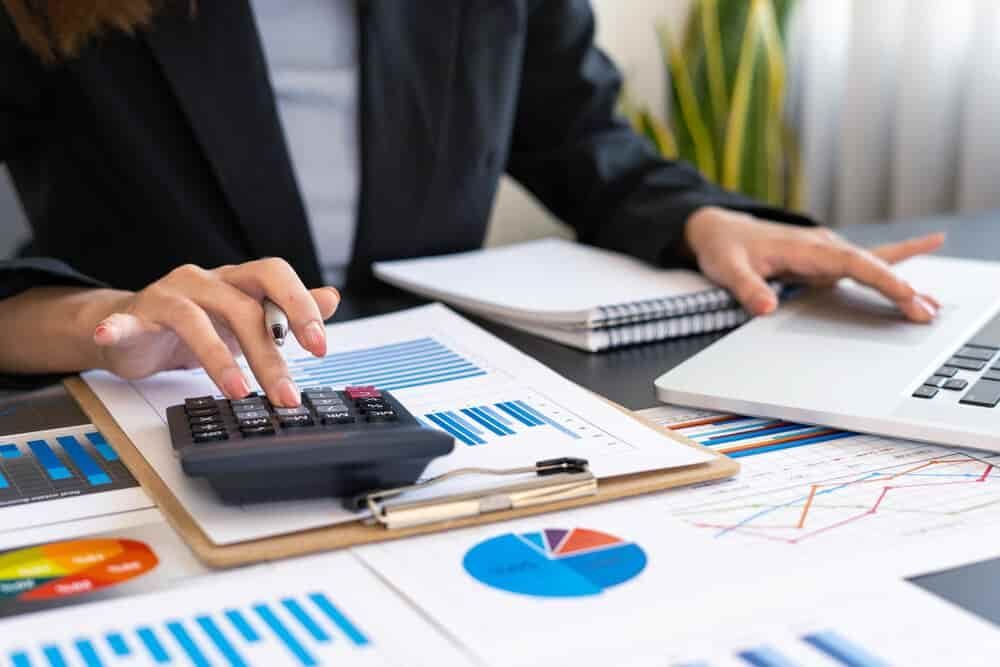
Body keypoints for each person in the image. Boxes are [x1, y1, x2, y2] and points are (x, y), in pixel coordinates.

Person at [0, 0, 942, 408]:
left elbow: (583, 139)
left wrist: (703, 219)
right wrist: (100, 321)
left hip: (435, 401)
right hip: (147, 411)